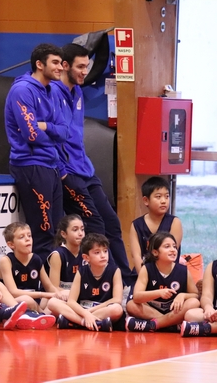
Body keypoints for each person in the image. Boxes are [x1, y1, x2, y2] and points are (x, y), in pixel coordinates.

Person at [53, 43, 134, 286]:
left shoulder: (77, 92)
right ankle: (105, 281)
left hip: (86, 170)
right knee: (95, 225)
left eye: (86, 66)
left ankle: (126, 281)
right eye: (80, 67)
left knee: (112, 223)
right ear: (65, 66)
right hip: (68, 173)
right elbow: (48, 137)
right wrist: (62, 172)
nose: (84, 72)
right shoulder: (52, 93)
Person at [4, 43, 67, 262]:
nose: (61, 67)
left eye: (61, 63)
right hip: (30, 164)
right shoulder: (22, 90)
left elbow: (65, 131)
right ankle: (42, 281)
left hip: (50, 165)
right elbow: (31, 134)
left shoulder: (52, 90)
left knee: (57, 231)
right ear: (40, 64)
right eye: (55, 63)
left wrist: (46, 126)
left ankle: (55, 279)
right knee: (43, 232)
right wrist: (51, 136)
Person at [125, 232, 199, 332]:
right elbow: (137, 297)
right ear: (155, 252)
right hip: (152, 310)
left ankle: (152, 325)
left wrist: (182, 296)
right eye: (167, 246)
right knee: (131, 305)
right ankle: (170, 325)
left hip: (174, 310)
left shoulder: (183, 270)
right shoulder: (146, 269)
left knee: (194, 302)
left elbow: (195, 295)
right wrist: (159, 293)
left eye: (174, 246)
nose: (173, 249)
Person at [49, 233, 123, 332]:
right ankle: (88, 323)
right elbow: (71, 301)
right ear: (86, 257)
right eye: (97, 252)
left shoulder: (115, 270)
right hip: (82, 309)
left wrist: (88, 312)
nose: (103, 255)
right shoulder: (81, 271)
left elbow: (117, 299)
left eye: (105, 251)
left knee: (117, 309)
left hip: (100, 310)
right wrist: (85, 314)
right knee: (52, 302)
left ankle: (74, 322)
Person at [0, 222, 58, 329]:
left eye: (29, 236)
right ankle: (40, 315)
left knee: (58, 298)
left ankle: (39, 315)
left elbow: (49, 287)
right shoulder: (6, 260)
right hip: (13, 302)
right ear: (11, 245)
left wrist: (58, 295)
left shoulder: (36, 258)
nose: (28, 239)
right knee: (26, 300)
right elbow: (13, 292)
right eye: (22, 237)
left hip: (35, 301)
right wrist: (43, 294)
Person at [129, 176, 183, 273]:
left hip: (168, 274)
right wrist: (144, 277)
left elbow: (171, 253)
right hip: (142, 273)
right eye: (158, 197)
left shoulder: (175, 222)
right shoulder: (136, 225)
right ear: (146, 200)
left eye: (167, 196)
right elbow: (136, 256)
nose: (163, 201)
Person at [45, 214, 85, 299]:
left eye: (82, 229)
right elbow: (54, 288)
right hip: (59, 296)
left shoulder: (86, 252)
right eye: (75, 230)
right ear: (63, 234)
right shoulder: (57, 255)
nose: (80, 233)